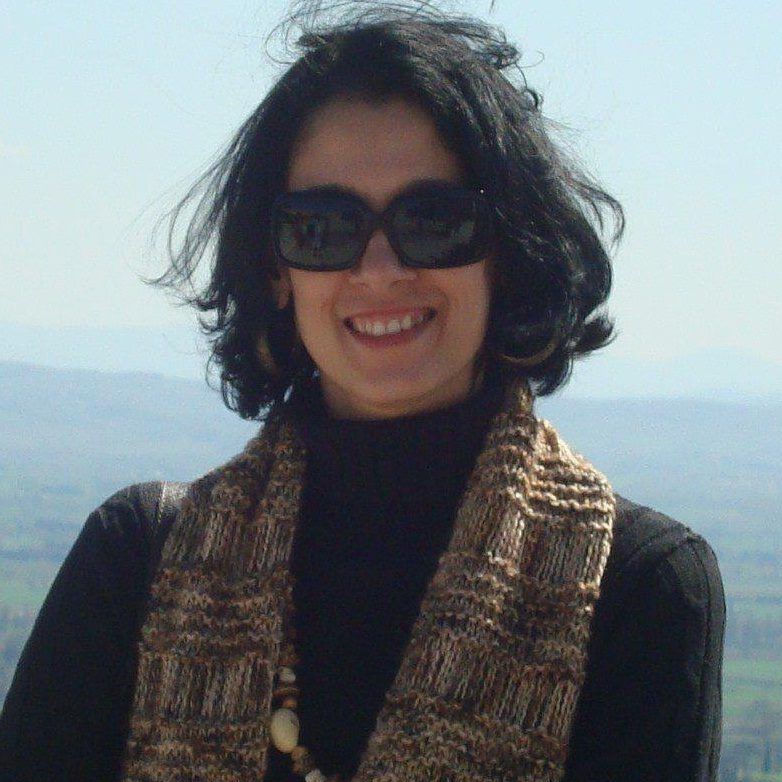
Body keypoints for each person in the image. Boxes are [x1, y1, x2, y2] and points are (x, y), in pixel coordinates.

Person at [0, 5, 725, 782]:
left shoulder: (642, 589)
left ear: (508, 251)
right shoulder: (138, 562)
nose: (379, 269)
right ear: (276, 270)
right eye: (323, 227)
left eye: (433, 220)